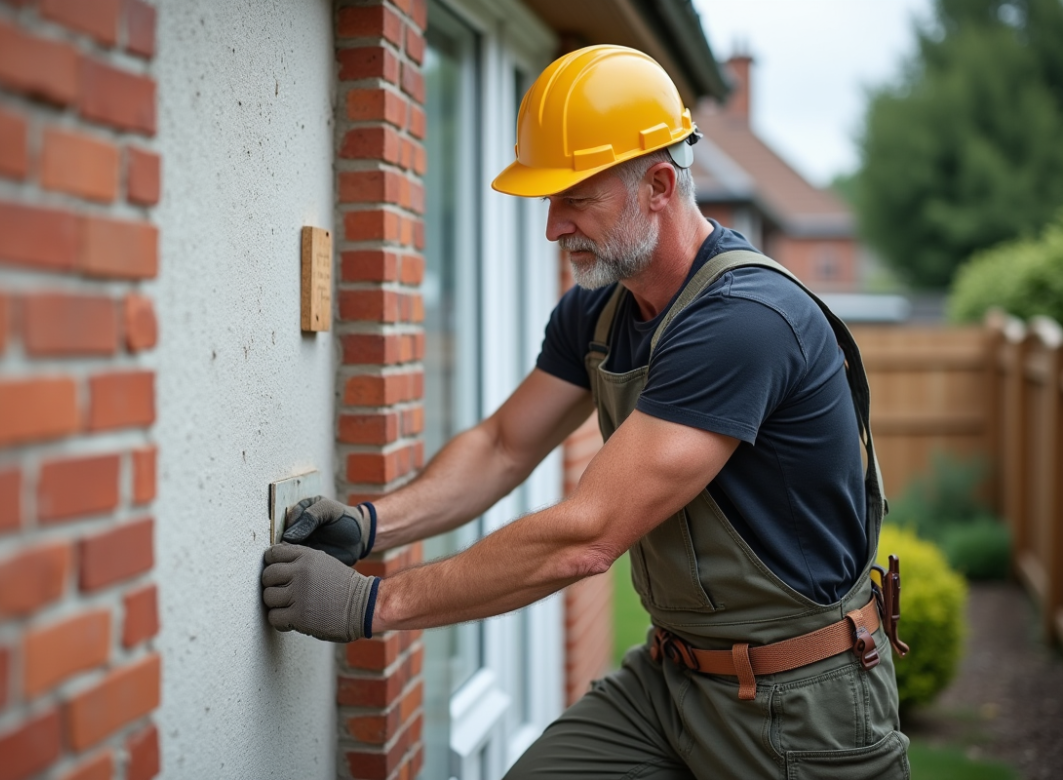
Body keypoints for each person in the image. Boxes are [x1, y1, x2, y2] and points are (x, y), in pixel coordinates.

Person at [262, 44, 910, 778]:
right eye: (549, 200)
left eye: (576, 198)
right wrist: (371, 525)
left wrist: (371, 605)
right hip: (672, 676)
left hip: (799, 698)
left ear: (659, 184)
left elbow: (589, 534)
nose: (552, 227)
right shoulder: (600, 310)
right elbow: (503, 445)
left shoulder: (744, 321)